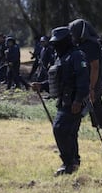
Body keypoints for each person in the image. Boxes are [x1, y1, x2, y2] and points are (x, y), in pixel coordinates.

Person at [31, 27, 90, 176]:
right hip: (64, 100)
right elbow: (60, 79)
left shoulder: (77, 56)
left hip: (74, 102)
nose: (56, 45)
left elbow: (83, 80)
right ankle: (73, 163)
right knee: (69, 133)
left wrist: (78, 100)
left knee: (59, 129)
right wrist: (42, 85)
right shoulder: (61, 57)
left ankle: (68, 162)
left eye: (58, 42)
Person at [68, 18, 102, 150]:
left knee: (87, 112)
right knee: (98, 112)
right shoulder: (80, 44)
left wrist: (91, 88)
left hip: (92, 84)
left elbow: (95, 67)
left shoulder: (91, 45)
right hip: (86, 83)